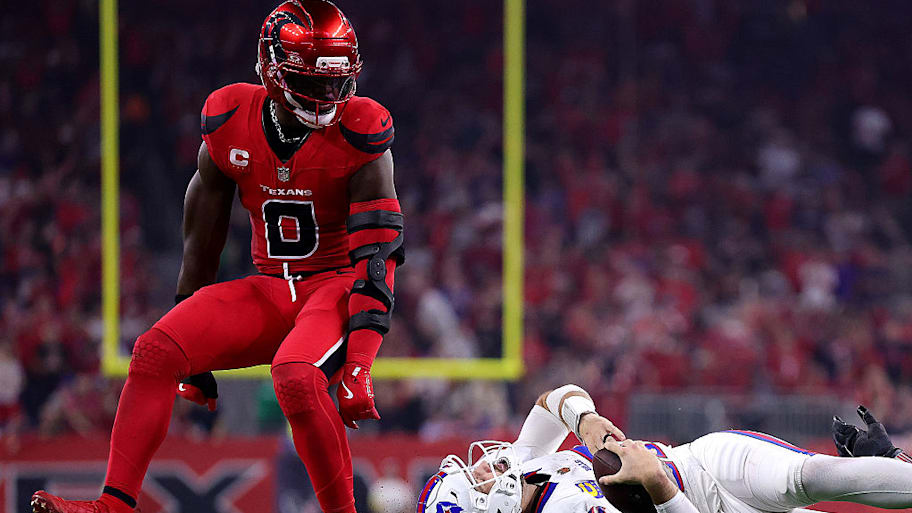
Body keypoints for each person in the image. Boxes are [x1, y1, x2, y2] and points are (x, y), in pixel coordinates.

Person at [32, 2, 402, 513]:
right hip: (270, 284)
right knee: (155, 351)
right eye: (314, 82)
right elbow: (202, 230)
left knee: (296, 378)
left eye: (338, 80)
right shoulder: (230, 119)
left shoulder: (362, 129)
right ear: (272, 69)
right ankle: (113, 505)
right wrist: (188, 308)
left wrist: (359, 362)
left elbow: (380, 255)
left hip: (333, 285)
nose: (330, 96)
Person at [417, 385, 912, 513]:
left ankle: (892, 467)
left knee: (809, 476)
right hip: (687, 503)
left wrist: (584, 421)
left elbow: (551, 403)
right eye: (476, 480)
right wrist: (656, 485)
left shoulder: (524, 463)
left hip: (701, 464)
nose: (484, 465)